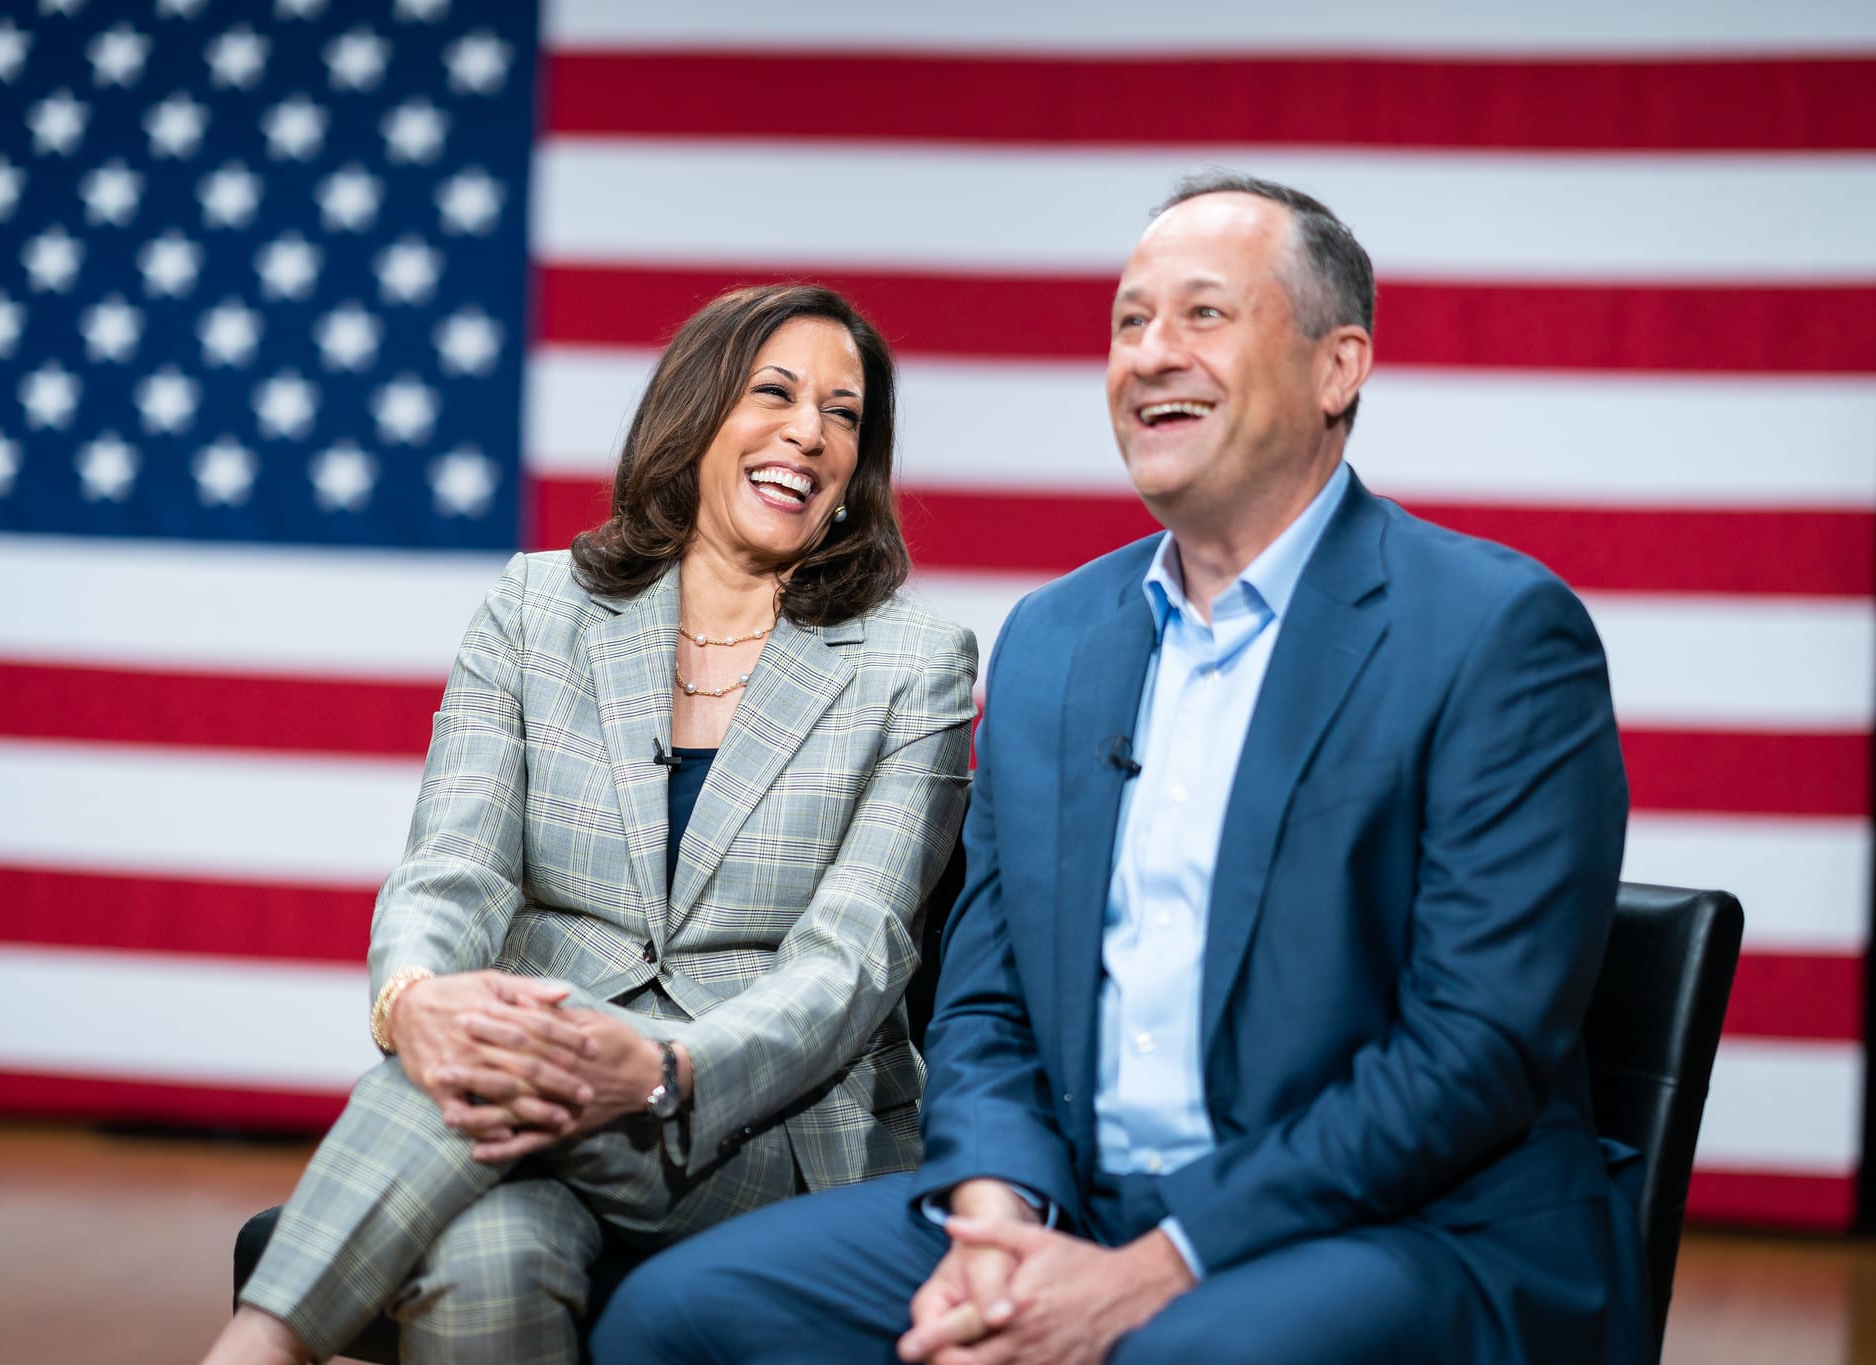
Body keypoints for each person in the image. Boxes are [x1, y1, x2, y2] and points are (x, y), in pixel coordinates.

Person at [591, 172, 1648, 1365]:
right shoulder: (1053, 641)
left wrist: (1149, 1273)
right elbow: (982, 1004)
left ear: (1337, 366)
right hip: (1070, 1204)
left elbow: (1471, 1055)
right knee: (676, 1320)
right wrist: (995, 1221)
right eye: (1127, 321)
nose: (1150, 355)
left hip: (1407, 1229)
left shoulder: (1493, 631)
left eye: (1203, 315)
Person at [202, 283, 979, 1365]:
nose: (809, 431)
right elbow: (449, 871)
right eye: (775, 392)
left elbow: (850, 964)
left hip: (760, 1119)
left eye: (843, 414)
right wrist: (414, 1002)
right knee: (490, 1257)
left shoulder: (916, 667)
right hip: (543, 1072)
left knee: (504, 1066)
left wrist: (663, 1071)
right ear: (695, 413)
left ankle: (252, 1348)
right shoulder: (534, 610)